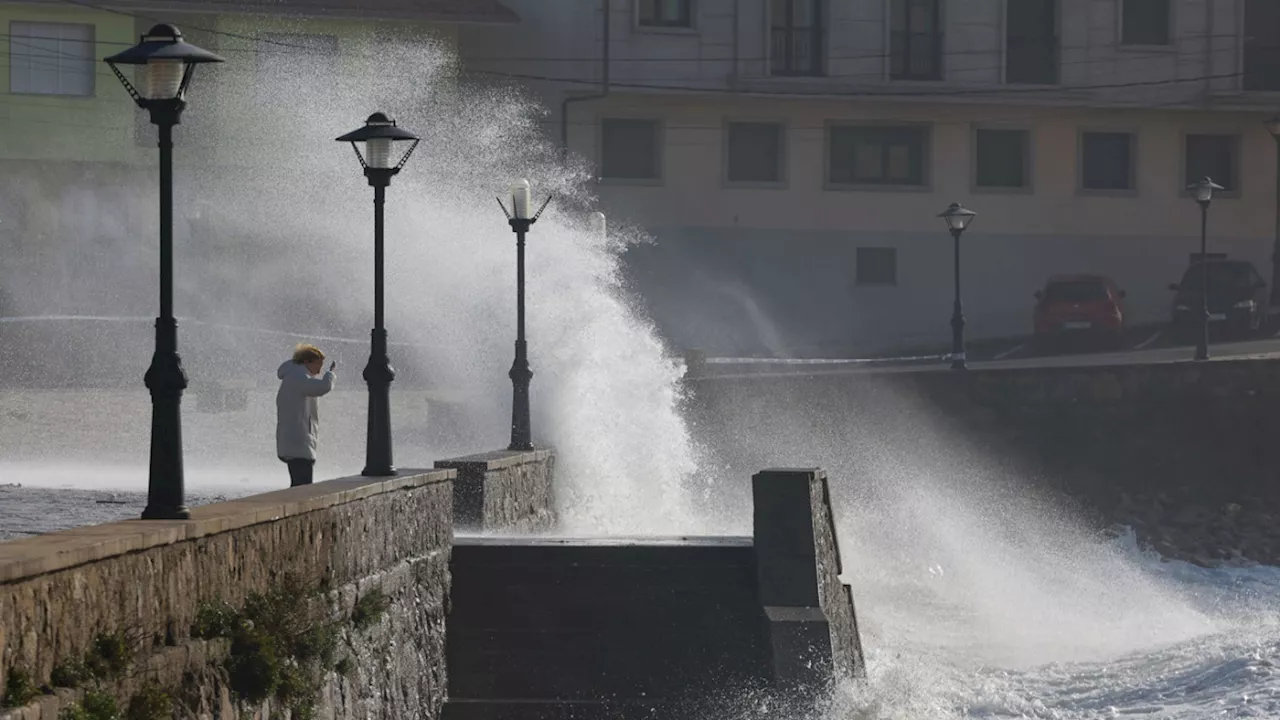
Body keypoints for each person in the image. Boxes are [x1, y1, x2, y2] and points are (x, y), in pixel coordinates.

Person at [276, 344, 336, 486]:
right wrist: (331, 373)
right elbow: (322, 387)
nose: (319, 370)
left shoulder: (294, 375)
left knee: (299, 483)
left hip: (294, 440)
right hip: (298, 440)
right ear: (306, 362)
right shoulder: (298, 377)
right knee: (302, 487)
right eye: (318, 365)